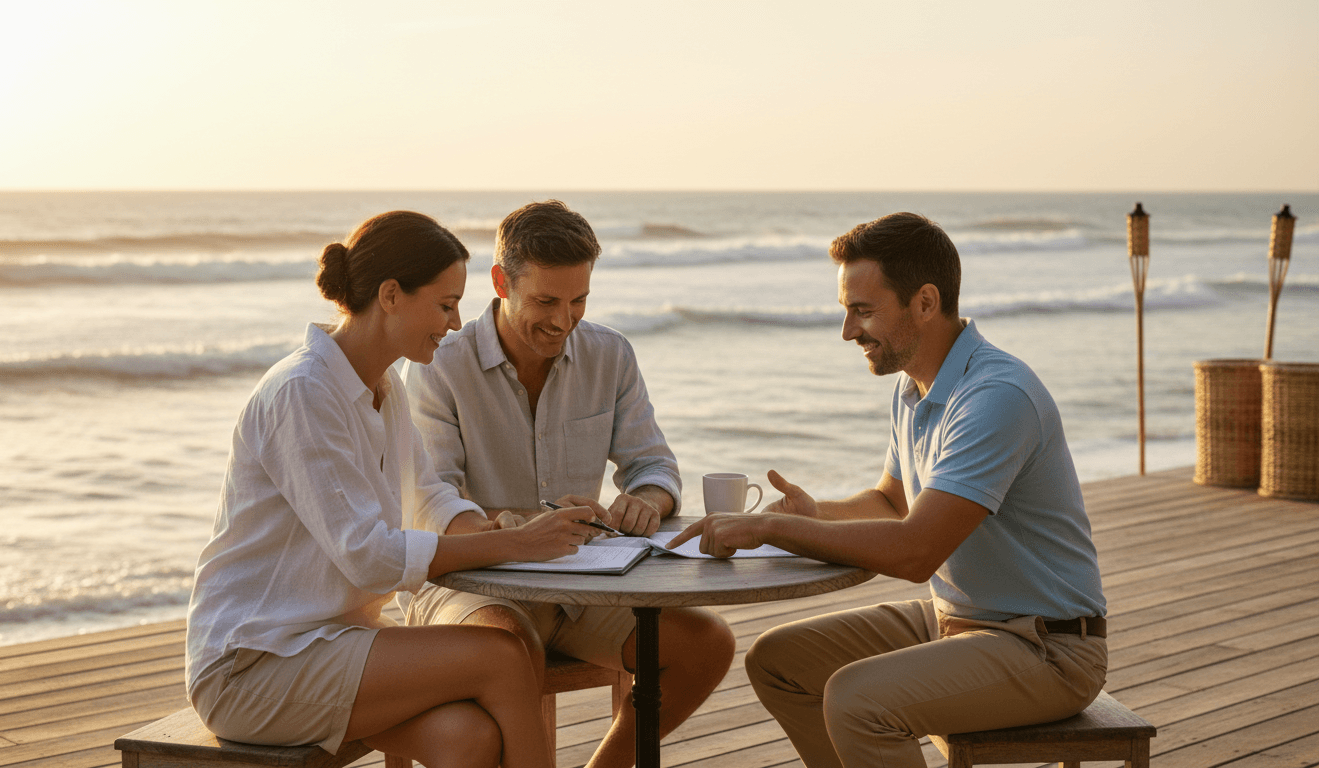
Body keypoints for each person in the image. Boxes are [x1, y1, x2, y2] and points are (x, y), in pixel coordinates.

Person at [669, 212, 1108, 767]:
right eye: (846, 311)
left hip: (1047, 647)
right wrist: (818, 513)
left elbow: (915, 550)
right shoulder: (913, 385)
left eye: (863, 311)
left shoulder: (995, 396)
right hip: (955, 618)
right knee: (778, 660)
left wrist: (776, 527)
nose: (849, 332)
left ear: (924, 302)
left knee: (857, 699)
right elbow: (892, 503)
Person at [185, 211, 609, 768]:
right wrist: (515, 546)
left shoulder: (384, 387)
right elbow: (367, 555)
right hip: (253, 664)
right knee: (501, 656)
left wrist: (497, 527)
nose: (457, 324)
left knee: (467, 738)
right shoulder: (303, 392)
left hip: (335, 640)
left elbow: (428, 494)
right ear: (390, 295)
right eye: (444, 304)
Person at [400, 200, 736, 768]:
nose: (563, 319)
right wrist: (517, 530)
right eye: (545, 301)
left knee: (707, 643)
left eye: (578, 301)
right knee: (509, 649)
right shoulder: (438, 363)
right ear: (501, 282)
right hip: (471, 588)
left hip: (581, 587)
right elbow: (432, 502)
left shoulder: (610, 354)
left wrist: (642, 503)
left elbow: (654, 466)